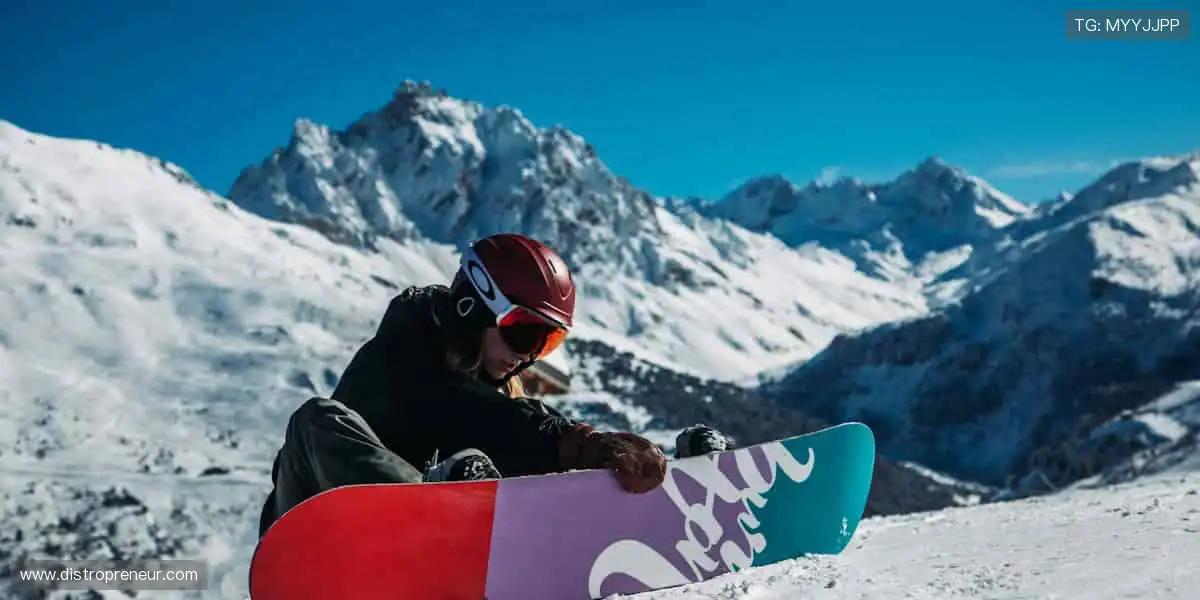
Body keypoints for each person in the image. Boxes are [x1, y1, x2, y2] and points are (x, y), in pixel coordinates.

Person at [257, 232, 733, 537]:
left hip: (415, 552)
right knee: (315, 419)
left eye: (547, 342)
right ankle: (433, 509)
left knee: (502, 465)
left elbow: (513, 426)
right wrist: (576, 443)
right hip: (314, 535)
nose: (529, 353)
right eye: (525, 332)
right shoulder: (399, 354)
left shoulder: (501, 385)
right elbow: (458, 408)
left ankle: (663, 505)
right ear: (474, 309)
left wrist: (619, 461)